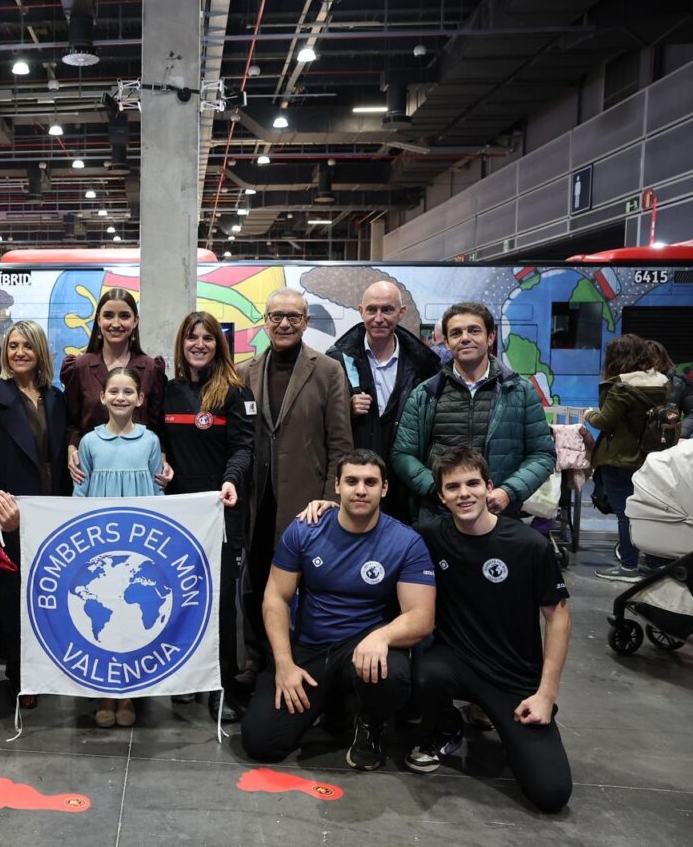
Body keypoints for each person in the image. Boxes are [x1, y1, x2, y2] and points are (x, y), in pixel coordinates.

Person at [241, 450, 435, 770]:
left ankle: (371, 723)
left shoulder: (406, 542)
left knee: (392, 673)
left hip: (363, 646)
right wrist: (284, 664)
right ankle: (333, 702)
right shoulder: (305, 529)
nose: (360, 490)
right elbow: (275, 598)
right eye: (352, 481)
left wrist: (382, 636)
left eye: (370, 482)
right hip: (311, 647)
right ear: (336, 486)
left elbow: (421, 618)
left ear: (384, 488)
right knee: (262, 742)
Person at [409, 447, 572, 813]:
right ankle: (447, 727)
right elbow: (377, 531)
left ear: (489, 486)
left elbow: (558, 617)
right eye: (453, 487)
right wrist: (324, 509)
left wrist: (546, 694)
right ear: (441, 496)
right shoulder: (429, 535)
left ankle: (508, 729)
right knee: (423, 673)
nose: (463, 494)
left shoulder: (529, 545)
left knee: (551, 793)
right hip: (457, 663)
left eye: (472, 484)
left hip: (513, 677)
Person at [236, 288, 353, 673]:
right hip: (257, 501)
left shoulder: (328, 370)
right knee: (256, 583)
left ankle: (305, 660)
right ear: (265, 321)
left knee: (307, 586)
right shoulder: (245, 372)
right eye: (277, 316)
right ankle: (259, 659)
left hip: (308, 503)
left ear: (306, 321)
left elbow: (340, 443)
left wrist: (331, 499)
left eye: (293, 316)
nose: (284, 323)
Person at [0, 321, 70, 710]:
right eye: (13, 345)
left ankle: (45, 667)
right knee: (9, 602)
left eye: (27, 345)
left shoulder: (56, 399)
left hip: (51, 516)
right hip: (8, 517)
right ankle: (19, 672)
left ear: (40, 351)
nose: (19, 352)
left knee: (47, 598)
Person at [162, 312, 253, 722]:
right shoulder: (170, 391)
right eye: (192, 337)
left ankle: (222, 687)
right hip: (178, 511)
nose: (199, 344)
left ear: (219, 344)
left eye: (208, 338)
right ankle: (186, 678)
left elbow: (243, 447)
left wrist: (231, 480)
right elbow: (159, 440)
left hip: (220, 508)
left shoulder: (234, 392)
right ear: (181, 344)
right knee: (179, 597)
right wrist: (162, 459)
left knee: (220, 603)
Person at [392, 301, 555, 521]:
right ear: (447, 342)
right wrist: (436, 488)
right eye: (456, 333)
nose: (465, 338)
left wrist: (508, 492)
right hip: (439, 516)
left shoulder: (520, 392)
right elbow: (403, 454)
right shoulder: (425, 394)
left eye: (474, 330)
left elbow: (542, 454)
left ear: (491, 337)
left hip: (498, 515)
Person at [74, 366, 164, 728]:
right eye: (114, 391)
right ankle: (105, 693)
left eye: (128, 392)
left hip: (138, 545)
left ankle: (127, 693)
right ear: (102, 397)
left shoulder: (150, 441)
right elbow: (81, 492)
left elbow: (157, 490)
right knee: (105, 610)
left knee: (131, 615)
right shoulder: (89, 442)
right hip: (102, 543)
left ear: (140, 399)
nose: (121, 397)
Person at [326, 281, 440, 521]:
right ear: (361, 311)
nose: (379, 318)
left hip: (405, 487)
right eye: (372, 310)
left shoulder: (424, 366)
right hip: (357, 482)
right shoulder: (336, 361)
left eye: (387, 310)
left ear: (401, 312)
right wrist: (344, 410)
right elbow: (320, 422)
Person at [585, 334, 671, 582]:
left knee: (626, 513)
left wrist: (589, 414)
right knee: (648, 511)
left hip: (620, 457)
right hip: (652, 456)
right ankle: (654, 563)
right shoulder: (662, 383)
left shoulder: (621, 388)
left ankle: (628, 566)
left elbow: (605, 421)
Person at [62, 288, 167, 485]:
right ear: (98, 320)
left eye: (124, 316)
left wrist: (161, 456)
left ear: (135, 321)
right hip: (91, 471)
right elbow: (71, 421)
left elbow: (157, 424)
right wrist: (72, 449)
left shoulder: (151, 369)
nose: (116, 324)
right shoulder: (79, 367)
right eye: (108, 315)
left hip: (139, 472)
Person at [647, 340, 693, 439]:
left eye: (654, 357)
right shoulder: (628, 381)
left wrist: (680, 434)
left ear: (662, 358)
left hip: (668, 440)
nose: (652, 362)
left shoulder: (677, 381)